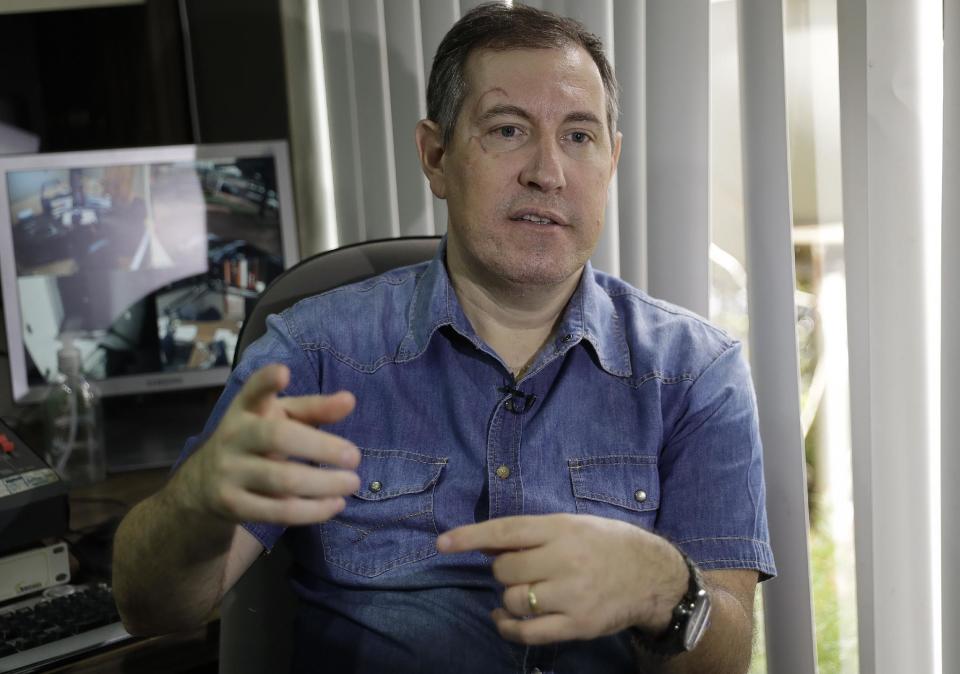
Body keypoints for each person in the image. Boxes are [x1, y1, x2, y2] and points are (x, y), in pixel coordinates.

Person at [112, 4, 775, 672]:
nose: (548, 171)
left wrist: (665, 589)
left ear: (611, 159)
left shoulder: (696, 373)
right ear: (435, 156)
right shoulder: (313, 354)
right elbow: (152, 608)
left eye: (579, 136)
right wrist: (194, 502)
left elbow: (725, 660)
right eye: (509, 130)